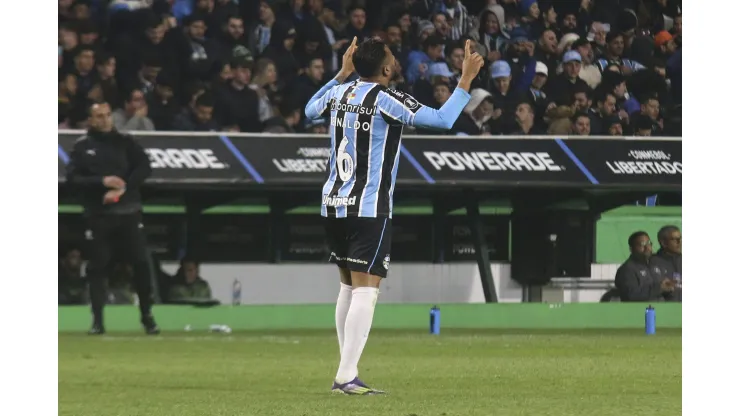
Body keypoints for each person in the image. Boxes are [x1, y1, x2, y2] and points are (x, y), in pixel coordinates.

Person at [304, 37, 483, 395]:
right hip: (369, 208)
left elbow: (310, 110)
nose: (395, 61)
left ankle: (345, 371)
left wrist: (342, 71)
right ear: (386, 69)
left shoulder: (341, 92)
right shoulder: (388, 99)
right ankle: (345, 375)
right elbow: (442, 120)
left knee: (348, 287)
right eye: (392, 57)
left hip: (333, 203)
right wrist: (465, 81)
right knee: (366, 292)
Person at [65, 101, 160, 335]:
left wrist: (123, 188)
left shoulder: (126, 143)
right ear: (90, 120)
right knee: (97, 267)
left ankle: (147, 316)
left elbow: (145, 168)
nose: (105, 119)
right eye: (99, 116)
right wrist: (102, 182)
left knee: (140, 264)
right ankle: (98, 321)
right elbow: (73, 180)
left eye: (107, 115)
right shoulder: (82, 147)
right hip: (98, 216)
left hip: (128, 212)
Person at [614, 231, 675, 302]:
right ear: (631, 249)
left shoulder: (656, 265)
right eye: (642, 244)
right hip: (640, 311)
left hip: (661, 310)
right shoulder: (626, 270)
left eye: (649, 243)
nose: (647, 247)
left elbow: (662, 292)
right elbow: (630, 295)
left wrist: (668, 289)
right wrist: (659, 288)